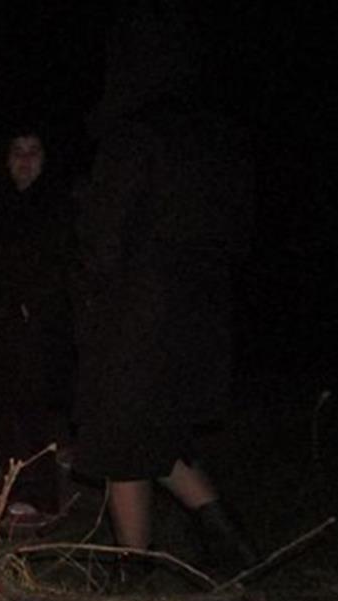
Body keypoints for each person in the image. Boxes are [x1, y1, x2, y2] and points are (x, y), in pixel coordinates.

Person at [73, 7, 256, 568]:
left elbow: (103, 241)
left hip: (135, 321)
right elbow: (238, 229)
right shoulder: (212, 137)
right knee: (157, 438)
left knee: (123, 441)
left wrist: (87, 282)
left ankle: (135, 570)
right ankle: (234, 548)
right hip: (193, 319)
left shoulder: (133, 137)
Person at [0, 127, 76, 519]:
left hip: (36, 326)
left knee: (31, 409)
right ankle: (11, 482)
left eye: (34, 151)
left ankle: (41, 494)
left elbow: (59, 265)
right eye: (17, 151)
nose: (25, 160)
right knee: (1, 407)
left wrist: (35, 305)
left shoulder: (57, 203)